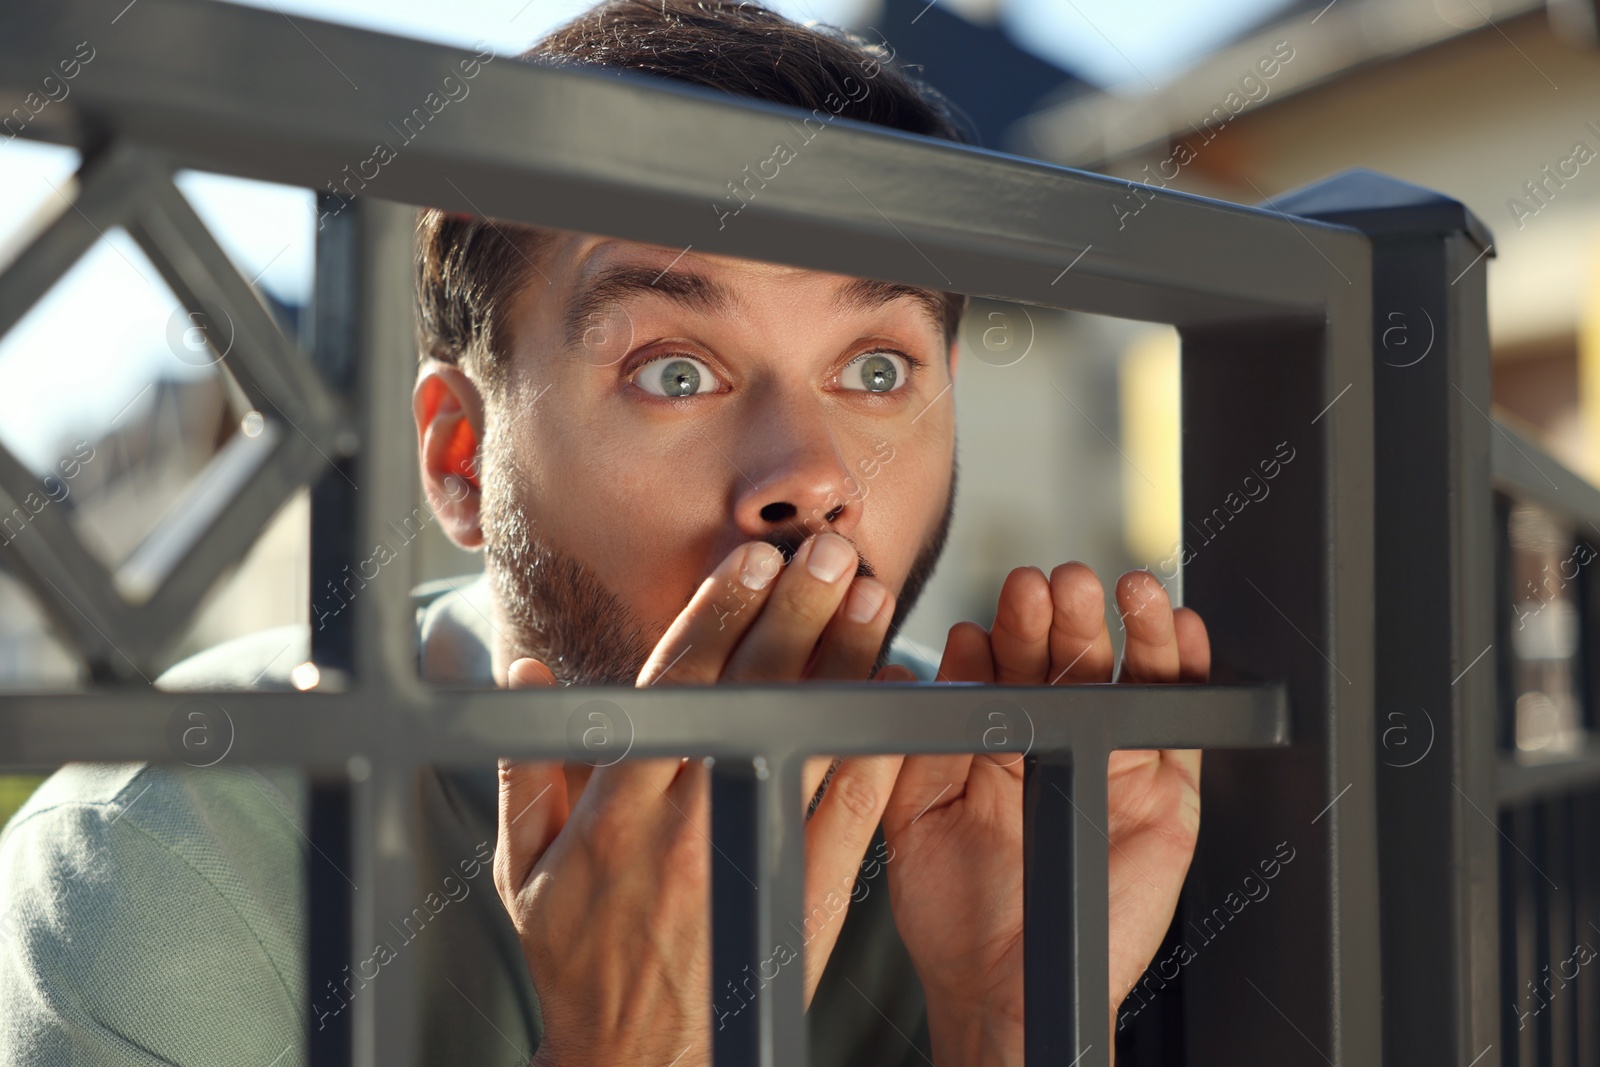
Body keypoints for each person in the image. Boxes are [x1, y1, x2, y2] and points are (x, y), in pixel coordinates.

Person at [0, 2, 1209, 1064]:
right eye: (675, 370)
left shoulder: (1022, 821)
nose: (809, 479)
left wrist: (1011, 1019)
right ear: (459, 458)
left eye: (877, 366)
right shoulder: (160, 861)